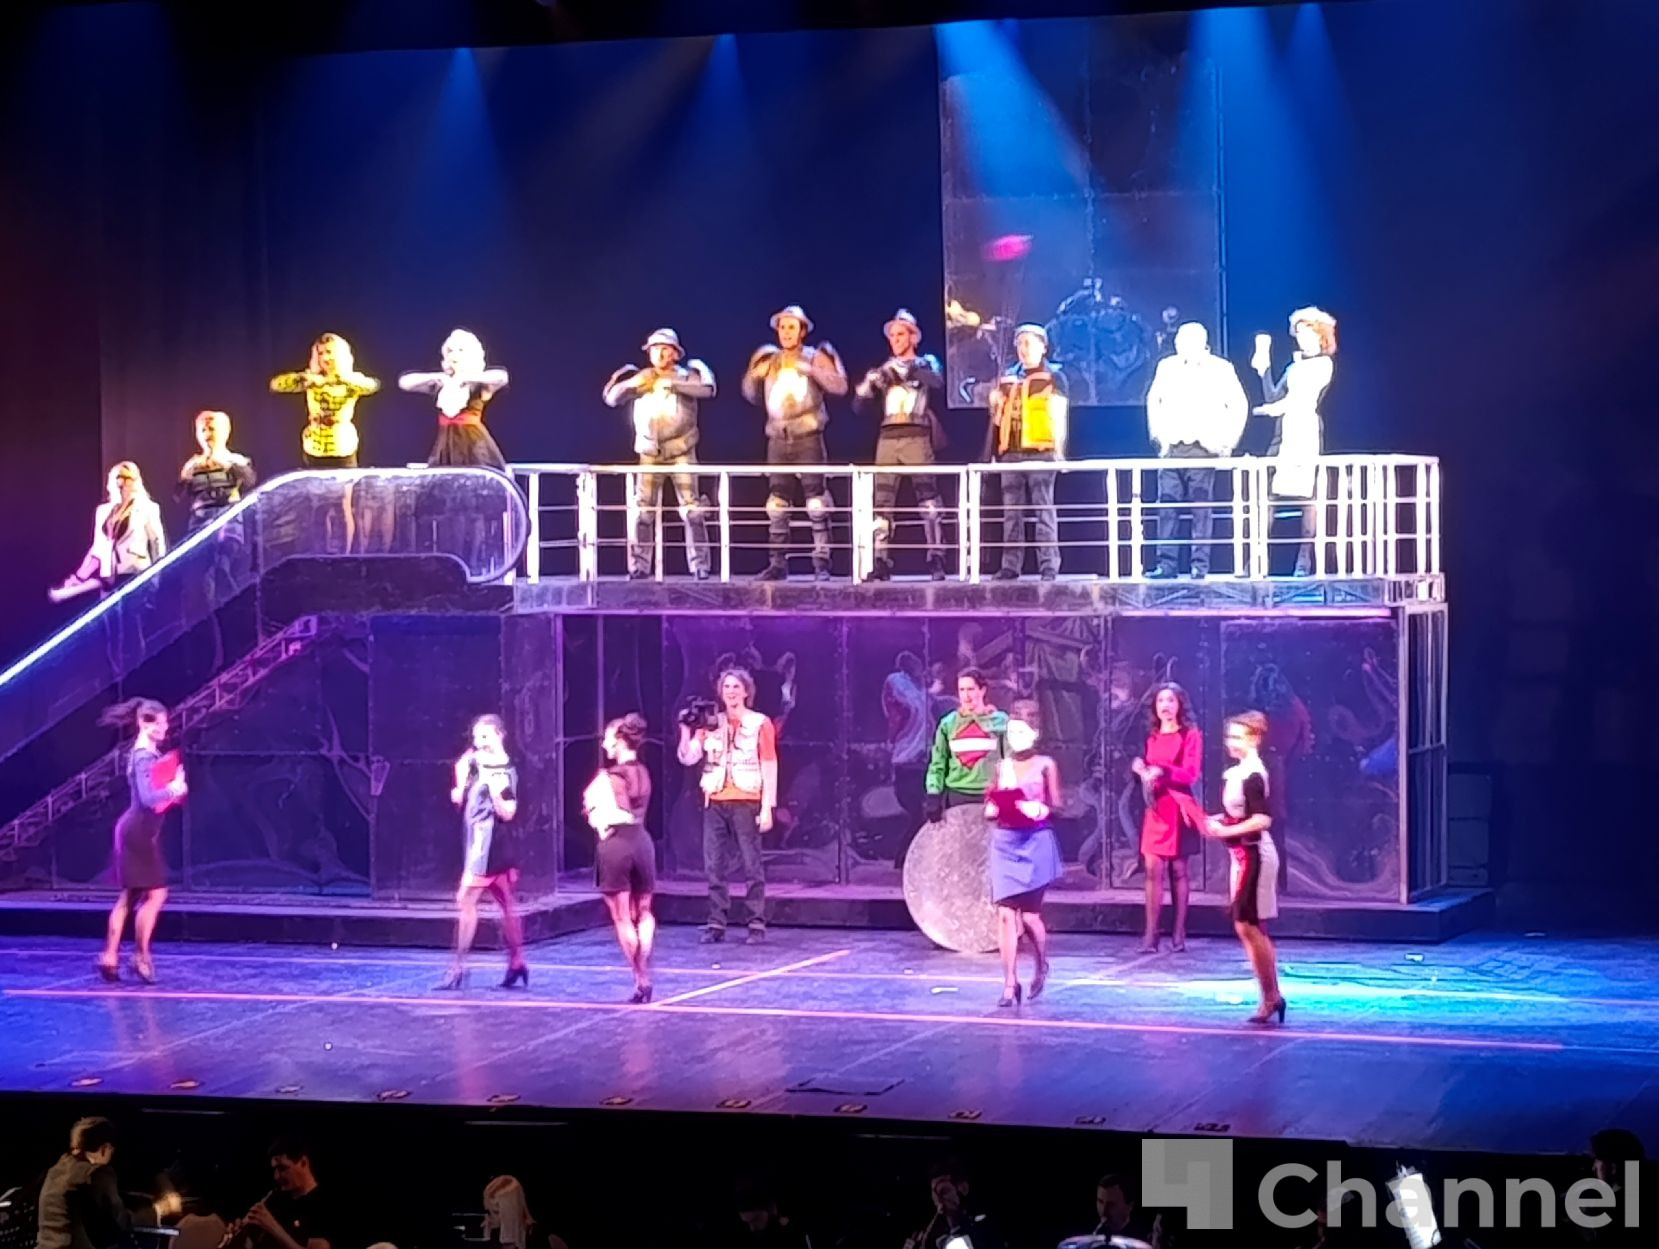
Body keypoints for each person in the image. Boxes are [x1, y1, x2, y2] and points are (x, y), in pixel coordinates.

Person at [741, 305, 848, 581]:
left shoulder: (814, 356)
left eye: (791, 327)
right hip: (778, 439)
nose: (786, 332)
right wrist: (753, 375)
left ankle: (822, 563)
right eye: (782, 327)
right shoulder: (771, 359)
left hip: (808, 438)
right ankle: (777, 563)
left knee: (816, 502)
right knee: (777, 503)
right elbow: (750, 395)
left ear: (802, 331)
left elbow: (840, 387)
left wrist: (813, 371)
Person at [602, 328, 714, 580]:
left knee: (692, 509)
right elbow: (611, 399)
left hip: (681, 450)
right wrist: (630, 382)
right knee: (643, 510)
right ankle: (639, 565)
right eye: (655, 349)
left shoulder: (686, 376)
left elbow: (707, 390)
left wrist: (674, 384)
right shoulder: (644, 377)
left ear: (675, 353)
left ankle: (700, 565)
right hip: (650, 452)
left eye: (665, 349)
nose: (660, 354)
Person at [677, 669, 777, 944]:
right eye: (726, 687)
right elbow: (689, 757)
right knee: (714, 864)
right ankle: (716, 922)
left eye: (736, 686)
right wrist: (686, 731)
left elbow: (769, 764)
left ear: (746, 691)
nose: (731, 691)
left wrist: (767, 807)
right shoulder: (711, 722)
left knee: (751, 864)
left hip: (747, 799)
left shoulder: (759, 723)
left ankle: (756, 923)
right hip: (716, 800)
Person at [1145, 323, 1248, 580]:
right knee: (1167, 507)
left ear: (1201, 343)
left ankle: (1199, 566)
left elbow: (1238, 405)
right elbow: (1153, 401)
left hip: (1204, 448)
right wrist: (1159, 438)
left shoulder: (1220, 368)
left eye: (1185, 341)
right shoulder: (1167, 366)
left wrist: (1227, 443)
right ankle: (1166, 564)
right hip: (1172, 448)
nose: (1179, 345)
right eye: (1178, 341)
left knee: (1201, 510)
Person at [94, 698, 185, 983]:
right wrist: (174, 789)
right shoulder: (144, 755)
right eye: (160, 724)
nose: (165, 728)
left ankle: (110, 956)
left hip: (139, 831)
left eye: (165, 723)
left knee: (131, 896)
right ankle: (140, 957)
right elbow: (147, 799)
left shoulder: (145, 752)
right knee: (156, 894)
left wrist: (173, 789)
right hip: (138, 832)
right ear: (145, 724)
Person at [1203, 710, 1285, 1024]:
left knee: (1246, 925)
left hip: (1255, 855)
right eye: (1229, 736)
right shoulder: (1237, 773)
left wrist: (1224, 831)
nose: (1231, 742)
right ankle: (1271, 995)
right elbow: (1241, 814)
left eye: (1237, 737)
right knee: (1251, 927)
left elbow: (1262, 819)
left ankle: (1271, 996)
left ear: (1254, 739)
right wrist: (1220, 821)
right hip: (1241, 856)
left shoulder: (1253, 774)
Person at [854, 309, 947, 582]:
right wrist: (868, 384)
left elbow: (937, 382)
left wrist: (907, 370)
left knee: (928, 498)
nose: (895, 340)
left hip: (916, 436)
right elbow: (858, 406)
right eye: (892, 335)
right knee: (882, 501)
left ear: (912, 338)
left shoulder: (925, 363)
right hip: (887, 437)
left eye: (900, 334)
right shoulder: (884, 369)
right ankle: (880, 559)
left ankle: (936, 558)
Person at [439, 715, 526, 990]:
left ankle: (458, 967)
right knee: (506, 902)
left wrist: (495, 792)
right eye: (476, 736)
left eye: (485, 736)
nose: (478, 742)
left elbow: (509, 812)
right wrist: (460, 782)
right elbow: (459, 799)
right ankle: (517, 962)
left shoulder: (504, 771)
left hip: (487, 846)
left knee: (465, 900)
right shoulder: (474, 762)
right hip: (478, 840)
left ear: (500, 735)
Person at [984, 699, 1061, 1007]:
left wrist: (1040, 809)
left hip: (1034, 842)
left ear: (1035, 731)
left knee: (1029, 917)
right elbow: (990, 800)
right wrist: (991, 809)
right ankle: (1009, 982)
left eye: (1026, 723)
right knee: (1005, 914)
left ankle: (1041, 965)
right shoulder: (1002, 766)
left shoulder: (1046, 764)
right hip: (1005, 843)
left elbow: (1057, 804)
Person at [1252, 307, 1337, 577]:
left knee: (1307, 495)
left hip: (1304, 430)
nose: (1301, 338)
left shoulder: (1323, 365)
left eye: (1306, 332)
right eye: (1298, 333)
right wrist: (1264, 368)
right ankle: (1256, 558)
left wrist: (1274, 409)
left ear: (1319, 335)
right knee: (1267, 494)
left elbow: (1301, 399)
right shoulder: (1294, 366)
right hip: (1283, 431)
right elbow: (1273, 396)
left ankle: (1304, 559)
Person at [584, 713, 657, 1003]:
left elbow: (608, 816)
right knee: (645, 912)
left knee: (622, 916)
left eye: (607, 739)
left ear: (618, 740)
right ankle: (644, 971)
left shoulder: (608, 778)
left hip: (617, 844)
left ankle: (641, 977)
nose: (604, 745)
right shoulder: (644, 772)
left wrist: (594, 812)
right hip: (642, 842)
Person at [986, 323, 1067, 580]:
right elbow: (998, 418)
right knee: (1011, 512)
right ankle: (1010, 566)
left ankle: (1049, 565)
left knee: (1044, 509)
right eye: (1020, 343)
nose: (1023, 348)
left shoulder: (1054, 376)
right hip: (1011, 452)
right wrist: (993, 405)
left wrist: (1060, 451)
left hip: (1041, 451)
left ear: (1043, 347)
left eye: (1029, 343)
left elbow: (1059, 415)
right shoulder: (1008, 378)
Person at [1130, 683, 1203, 953]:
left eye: (1171, 700)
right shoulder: (1151, 736)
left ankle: (1179, 933)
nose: (1166, 705)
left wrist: (1162, 770)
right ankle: (1151, 935)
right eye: (1161, 700)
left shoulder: (1190, 735)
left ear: (1180, 704)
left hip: (1179, 807)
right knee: (1152, 870)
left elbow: (1190, 773)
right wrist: (1139, 768)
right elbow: (1143, 766)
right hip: (1156, 808)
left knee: (1178, 871)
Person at [36, 1117, 183, 1249]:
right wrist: (160, 1209)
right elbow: (121, 1223)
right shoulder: (97, 1174)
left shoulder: (56, 1170)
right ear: (104, 1149)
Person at [50, 463, 167, 602]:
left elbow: (157, 544)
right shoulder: (103, 512)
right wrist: (78, 577)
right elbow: (97, 550)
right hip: (109, 578)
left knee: (135, 613)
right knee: (111, 614)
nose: (122, 484)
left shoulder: (147, 508)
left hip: (135, 573)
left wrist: (156, 577)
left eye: (127, 479)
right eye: (118, 479)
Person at [398, 329, 510, 469]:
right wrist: (435, 376)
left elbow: (502, 377)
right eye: (450, 351)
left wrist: (468, 377)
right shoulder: (441, 383)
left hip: (473, 445)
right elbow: (404, 383)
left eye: (460, 350)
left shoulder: (479, 383)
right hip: (445, 445)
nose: (454, 355)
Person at [269, 333, 381, 469]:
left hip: (341, 446)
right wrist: (304, 378)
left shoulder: (351, 380)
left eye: (329, 352)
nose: (325, 357)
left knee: (343, 481)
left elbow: (373, 385)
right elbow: (275, 385)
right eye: (321, 353)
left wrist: (339, 379)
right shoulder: (310, 379)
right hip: (314, 446)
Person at [923, 669, 1008, 823]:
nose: (966, 696)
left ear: (982, 690)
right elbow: (937, 763)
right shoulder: (948, 724)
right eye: (962, 690)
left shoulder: (1001, 721)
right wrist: (933, 794)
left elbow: (1010, 760)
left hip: (991, 797)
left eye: (971, 689)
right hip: (957, 796)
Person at [225, 1137, 339, 1249]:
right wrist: (241, 1238)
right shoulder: (275, 1200)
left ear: (303, 1163)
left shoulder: (324, 1204)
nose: (276, 1176)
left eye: (282, 1168)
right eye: (275, 1169)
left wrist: (273, 1227)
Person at [175, 410, 257, 533]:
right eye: (203, 430)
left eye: (211, 429)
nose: (207, 434)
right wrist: (184, 477)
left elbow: (250, 482)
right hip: (200, 524)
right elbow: (178, 498)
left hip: (229, 523)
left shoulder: (236, 460)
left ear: (224, 432)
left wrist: (228, 465)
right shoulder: (192, 465)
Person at [902, 1163, 1004, 1249]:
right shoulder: (934, 1236)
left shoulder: (984, 1228)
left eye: (943, 1191)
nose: (939, 1199)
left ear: (963, 1188)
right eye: (934, 1194)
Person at [483, 1176, 567, 1249]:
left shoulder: (546, 1239)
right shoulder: (496, 1241)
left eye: (495, 1212)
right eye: (489, 1212)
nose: (490, 1219)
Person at [1093, 1173, 1155, 1245]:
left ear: (1130, 1206)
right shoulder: (1092, 1231)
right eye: (1100, 1202)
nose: (1103, 1211)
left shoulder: (1146, 1239)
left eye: (1111, 1204)